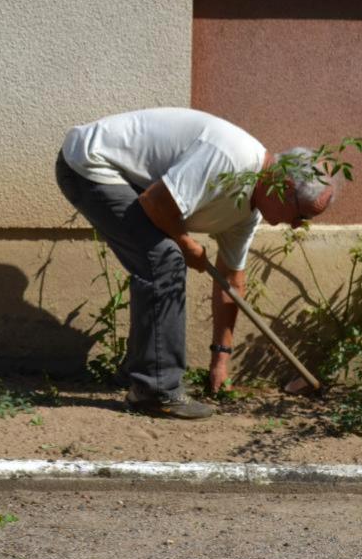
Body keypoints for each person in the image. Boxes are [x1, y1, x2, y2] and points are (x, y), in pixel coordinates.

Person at [55, 107, 336, 419]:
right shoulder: (231, 159)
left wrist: (221, 362)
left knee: (160, 256)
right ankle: (156, 391)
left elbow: (231, 283)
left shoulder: (248, 211)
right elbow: (156, 202)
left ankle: (141, 375)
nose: (298, 226)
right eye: (303, 215)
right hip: (91, 163)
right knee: (164, 258)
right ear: (282, 188)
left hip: (128, 177)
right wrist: (187, 244)